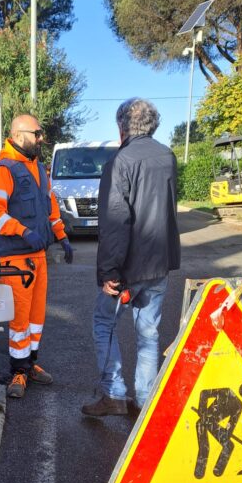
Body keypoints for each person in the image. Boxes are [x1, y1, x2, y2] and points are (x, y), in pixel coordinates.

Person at [82, 98, 181, 417]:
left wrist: (109, 272)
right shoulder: (167, 155)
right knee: (148, 333)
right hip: (159, 264)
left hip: (128, 267)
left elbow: (115, 219)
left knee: (103, 323)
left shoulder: (120, 161)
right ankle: (142, 401)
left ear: (121, 127)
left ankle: (113, 395)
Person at [0, 113, 73, 398]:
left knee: (36, 318)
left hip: (38, 256)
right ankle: (17, 372)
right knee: (20, 320)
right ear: (20, 134)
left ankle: (30, 363)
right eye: (37, 133)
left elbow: (51, 208)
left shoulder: (39, 169)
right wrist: (22, 231)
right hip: (16, 260)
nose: (41, 138)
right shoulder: (3, 171)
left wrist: (62, 236)